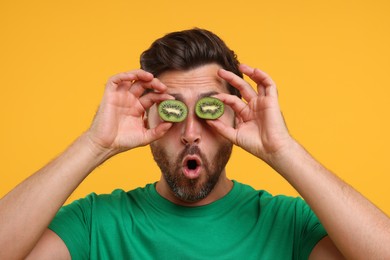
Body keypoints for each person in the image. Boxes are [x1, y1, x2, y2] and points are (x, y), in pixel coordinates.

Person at [0, 28, 389, 260]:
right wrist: (94, 144)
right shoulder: (94, 224)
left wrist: (283, 150)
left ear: (238, 117)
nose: (189, 131)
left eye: (209, 110)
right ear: (148, 115)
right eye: (172, 109)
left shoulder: (287, 225)